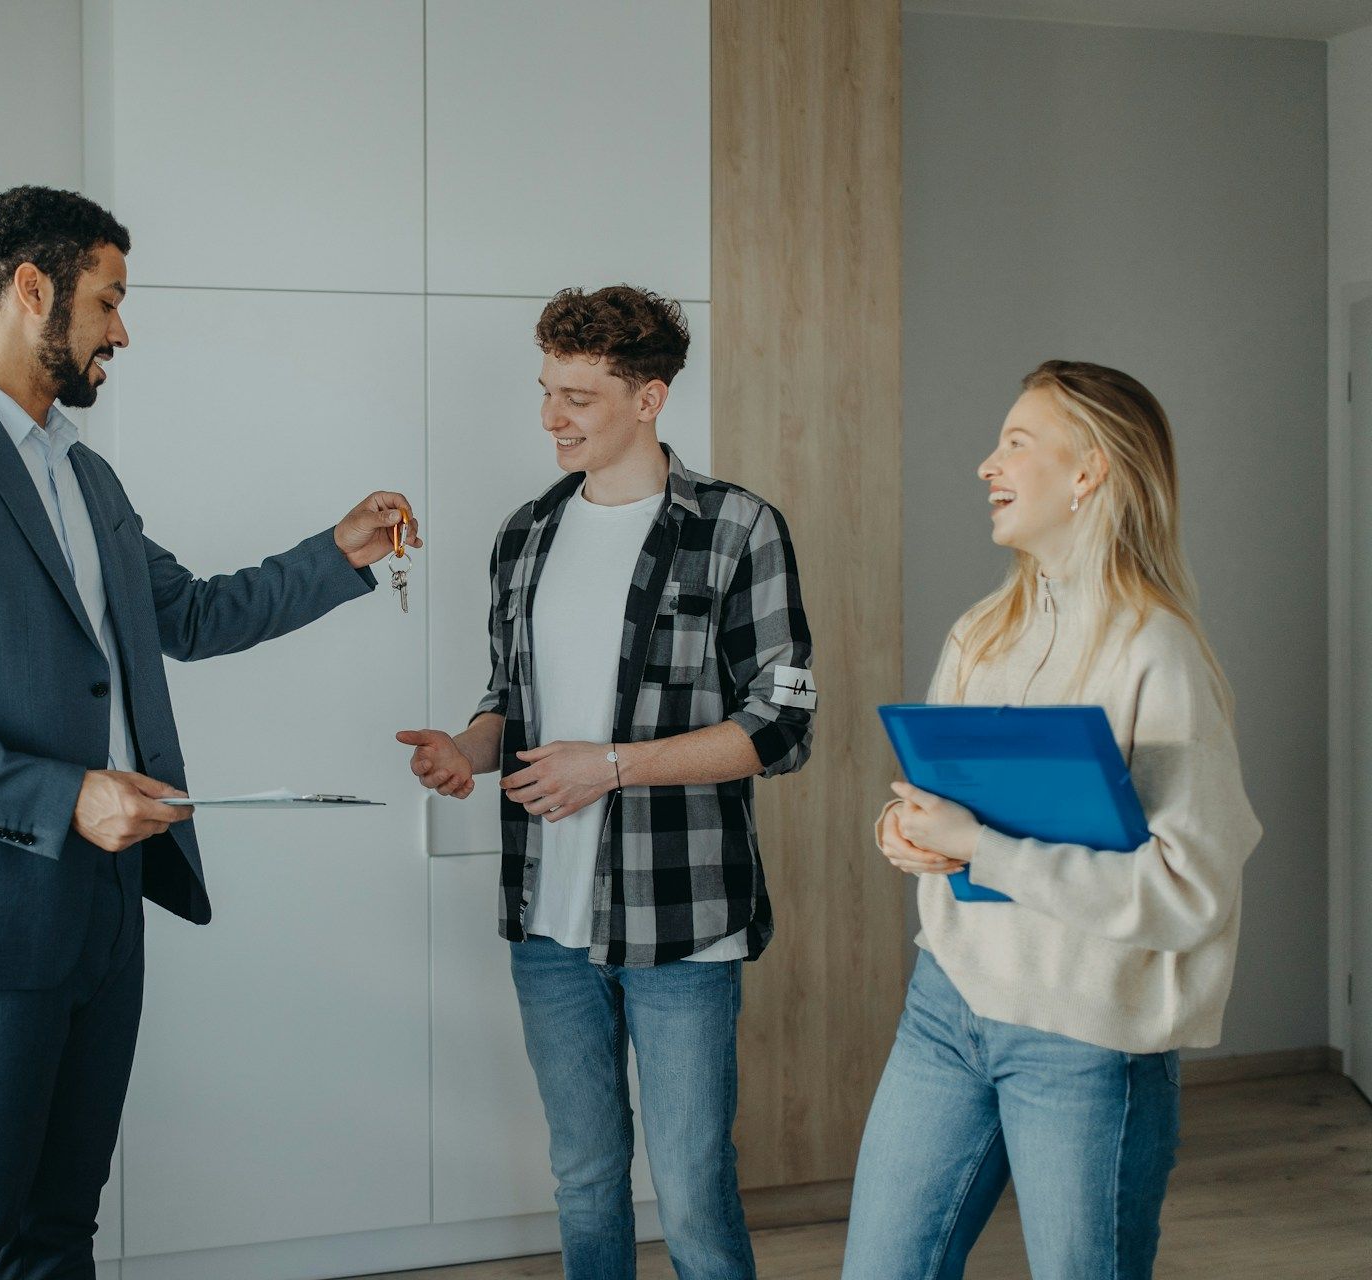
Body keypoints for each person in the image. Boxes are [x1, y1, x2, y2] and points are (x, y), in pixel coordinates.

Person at [0, 185, 418, 1279]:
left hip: (103, 911)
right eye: (109, 300)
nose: (122, 330)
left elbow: (184, 614)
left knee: (59, 1233)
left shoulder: (84, 474)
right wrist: (66, 795)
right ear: (31, 290)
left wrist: (339, 552)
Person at [398, 285, 815, 1280]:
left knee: (692, 1180)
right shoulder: (525, 534)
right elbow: (512, 698)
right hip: (549, 917)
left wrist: (612, 767)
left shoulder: (736, 528)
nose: (551, 416)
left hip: (684, 917)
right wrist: (468, 746)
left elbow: (781, 724)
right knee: (584, 1175)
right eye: (547, 390)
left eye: (578, 395)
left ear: (650, 397)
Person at [842, 361, 1262, 1279]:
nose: (987, 464)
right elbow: (924, 811)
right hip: (947, 1009)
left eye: (1017, 443)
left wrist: (980, 846)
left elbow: (1189, 893)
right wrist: (905, 835)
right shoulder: (980, 633)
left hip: (1086, 1041)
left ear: (1089, 473)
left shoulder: (1159, 654)